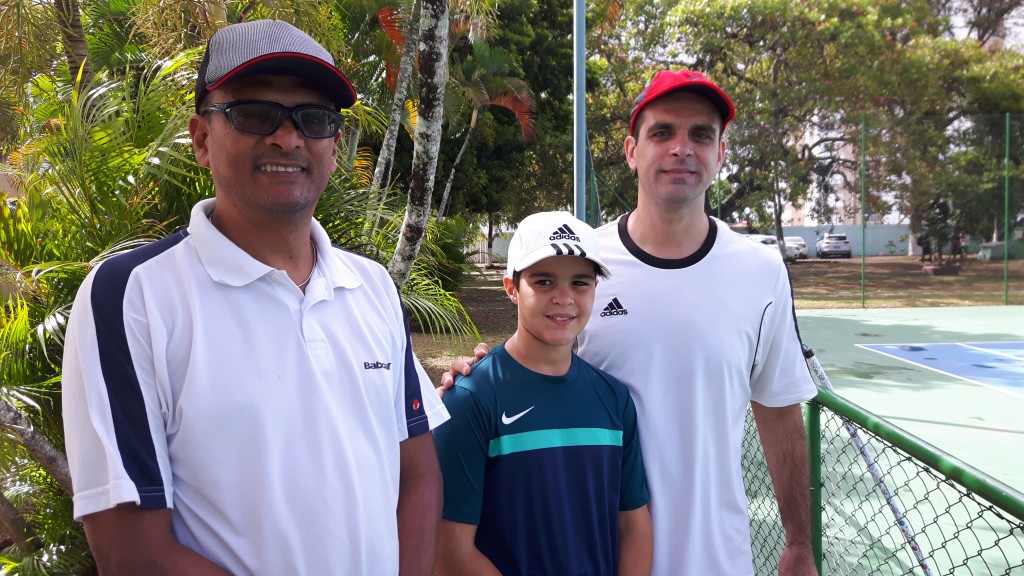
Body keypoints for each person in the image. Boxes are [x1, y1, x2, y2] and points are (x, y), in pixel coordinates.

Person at [60, 19, 449, 576]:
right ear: (201, 139)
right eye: (254, 113)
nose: (288, 138)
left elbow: (418, 474)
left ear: (335, 147)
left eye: (313, 118)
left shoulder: (372, 287)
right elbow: (132, 553)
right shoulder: (131, 296)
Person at [443, 69, 819, 575]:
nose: (681, 148)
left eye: (700, 134)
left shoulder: (761, 270)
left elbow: (779, 409)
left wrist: (799, 543)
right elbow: (536, 366)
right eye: (662, 132)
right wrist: (475, 379)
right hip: (598, 558)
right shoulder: (584, 259)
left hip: (716, 560)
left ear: (721, 153)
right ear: (631, 151)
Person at [434, 211, 653, 576]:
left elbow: (633, 524)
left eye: (580, 283)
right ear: (511, 288)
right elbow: (450, 550)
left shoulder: (613, 397)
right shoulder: (470, 398)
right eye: (544, 282)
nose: (564, 298)